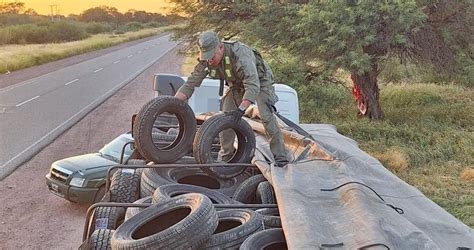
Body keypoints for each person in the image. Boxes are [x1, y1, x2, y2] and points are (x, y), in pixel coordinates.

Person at [174, 31, 289, 167]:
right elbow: (190, 83)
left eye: (212, 56)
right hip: (236, 84)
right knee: (225, 116)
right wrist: (172, 103)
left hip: (259, 82)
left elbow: (252, 85)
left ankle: (281, 158)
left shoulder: (241, 54)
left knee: (266, 116)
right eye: (206, 57)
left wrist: (241, 110)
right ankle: (226, 157)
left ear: (221, 47)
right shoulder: (207, 61)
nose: (210, 61)